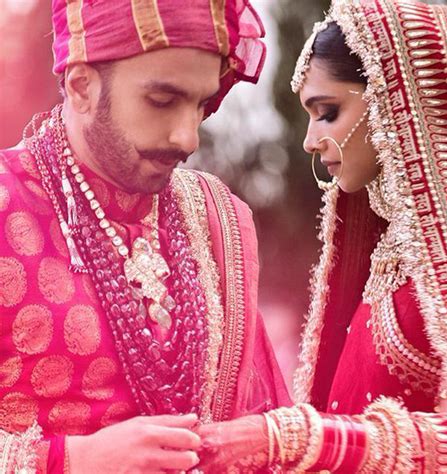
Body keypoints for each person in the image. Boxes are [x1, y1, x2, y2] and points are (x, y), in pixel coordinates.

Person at [0, 0, 290, 472]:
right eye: (162, 101)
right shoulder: (7, 204)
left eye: (202, 104)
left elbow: (260, 419)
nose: (187, 137)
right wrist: (71, 460)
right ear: (80, 86)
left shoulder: (216, 216)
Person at [196, 0, 447, 471]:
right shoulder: (392, 250)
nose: (308, 140)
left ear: (395, 103)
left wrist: (292, 439)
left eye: (327, 112)